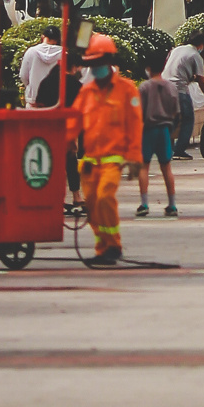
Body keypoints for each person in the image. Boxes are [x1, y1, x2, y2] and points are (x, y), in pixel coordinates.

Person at [65, 32, 142, 265]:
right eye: (92, 64)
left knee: (105, 197)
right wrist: (63, 142)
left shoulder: (128, 90)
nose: (95, 68)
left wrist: (135, 158)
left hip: (113, 159)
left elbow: (136, 123)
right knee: (91, 205)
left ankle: (114, 245)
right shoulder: (86, 93)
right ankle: (103, 248)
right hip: (89, 161)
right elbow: (74, 121)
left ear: (109, 62)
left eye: (99, 63)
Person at [135, 58, 179, 219]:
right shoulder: (171, 87)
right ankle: (172, 204)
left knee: (144, 166)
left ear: (148, 68)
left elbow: (139, 110)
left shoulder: (144, 87)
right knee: (166, 167)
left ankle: (144, 203)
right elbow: (175, 110)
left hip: (148, 130)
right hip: (164, 130)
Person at [163, 34, 204, 158]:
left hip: (164, 87)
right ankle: (179, 150)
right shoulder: (196, 56)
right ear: (201, 45)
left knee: (174, 118)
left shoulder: (176, 49)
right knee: (188, 119)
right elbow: (201, 81)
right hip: (179, 90)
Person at [18, 30, 63, 109]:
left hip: (33, 101)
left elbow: (23, 75)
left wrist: (30, 87)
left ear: (43, 37)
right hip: (55, 101)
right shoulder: (63, 53)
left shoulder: (31, 52)